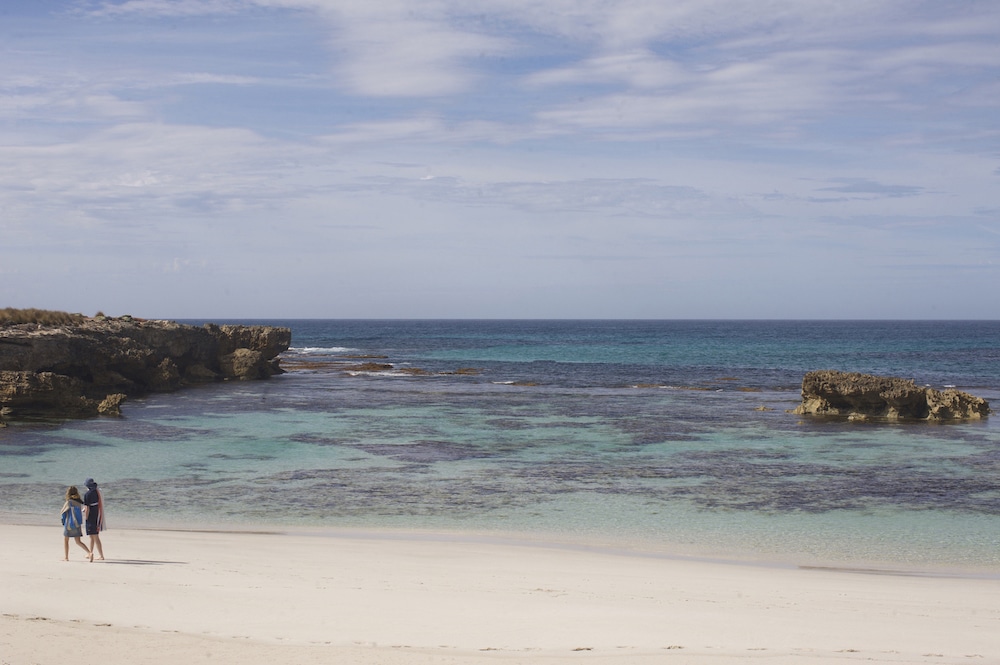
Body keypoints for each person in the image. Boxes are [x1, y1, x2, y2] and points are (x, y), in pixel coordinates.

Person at [60, 486, 91, 561]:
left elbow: (63, 513)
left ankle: (66, 557)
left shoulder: (69, 502)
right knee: (78, 541)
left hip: (69, 524)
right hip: (77, 524)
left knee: (66, 540)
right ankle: (90, 552)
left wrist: (63, 521)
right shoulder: (79, 502)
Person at [82, 477, 106, 562]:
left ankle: (101, 555)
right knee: (93, 537)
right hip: (97, 515)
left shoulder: (87, 494)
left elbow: (87, 508)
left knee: (95, 537)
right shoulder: (97, 492)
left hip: (91, 518)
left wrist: (86, 517)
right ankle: (90, 552)